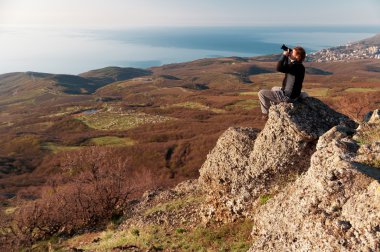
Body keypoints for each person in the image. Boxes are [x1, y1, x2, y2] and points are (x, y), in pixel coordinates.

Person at [258, 46, 306, 118]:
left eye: (292, 52)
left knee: (261, 93)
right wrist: (288, 57)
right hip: (295, 95)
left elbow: (279, 68)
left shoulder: (294, 66)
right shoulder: (300, 66)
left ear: (297, 56)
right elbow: (286, 67)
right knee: (274, 88)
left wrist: (284, 56)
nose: (290, 53)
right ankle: (277, 105)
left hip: (287, 97)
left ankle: (265, 114)